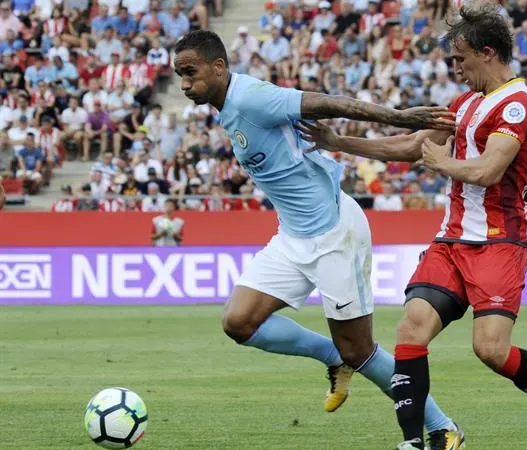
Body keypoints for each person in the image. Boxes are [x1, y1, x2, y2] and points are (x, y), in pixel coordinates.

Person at [298, 6, 527, 450]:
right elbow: (411, 146)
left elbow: (488, 171)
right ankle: (413, 442)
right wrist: (341, 142)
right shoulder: (465, 103)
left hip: (501, 241)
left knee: (491, 351)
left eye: (461, 59)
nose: (455, 69)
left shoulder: (518, 106)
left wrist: (441, 162)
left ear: (489, 52)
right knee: (410, 330)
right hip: (452, 240)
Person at [172, 30, 463, 450]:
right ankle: (332, 358)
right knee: (239, 322)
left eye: (190, 72)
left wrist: (403, 116)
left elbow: (332, 102)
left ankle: (443, 428)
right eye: (180, 75)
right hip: (293, 236)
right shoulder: (226, 108)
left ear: (218, 67)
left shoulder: (252, 97)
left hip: (334, 233)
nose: (185, 84)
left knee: (360, 350)